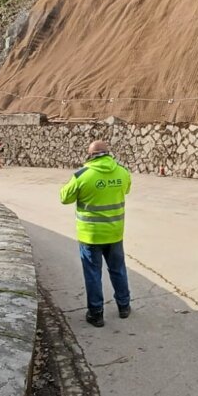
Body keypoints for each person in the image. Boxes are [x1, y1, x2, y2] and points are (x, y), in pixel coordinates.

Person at [60, 140, 132, 328]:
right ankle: (124, 306)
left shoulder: (82, 175)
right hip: (115, 232)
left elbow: (64, 198)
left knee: (93, 274)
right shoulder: (122, 172)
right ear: (108, 153)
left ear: (90, 155)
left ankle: (96, 313)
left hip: (90, 235)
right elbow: (127, 189)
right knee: (118, 270)